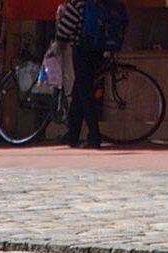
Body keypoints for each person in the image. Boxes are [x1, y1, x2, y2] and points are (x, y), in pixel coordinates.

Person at [62, 0, 125, 148]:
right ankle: (72, 134)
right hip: (99, 48)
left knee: (84, 92)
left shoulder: (78, 3)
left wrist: (59, 40)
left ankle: (94, 135)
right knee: (80, 89)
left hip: (82, 48)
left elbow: (66, 28)